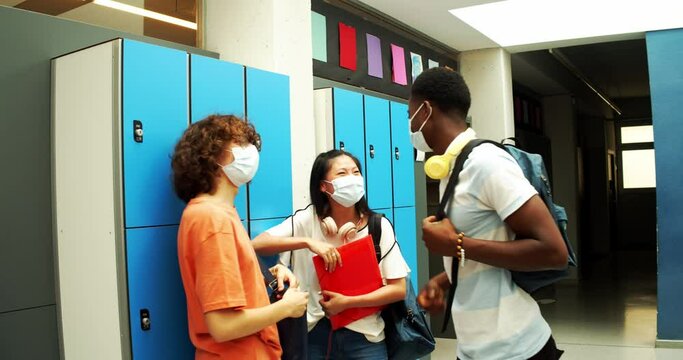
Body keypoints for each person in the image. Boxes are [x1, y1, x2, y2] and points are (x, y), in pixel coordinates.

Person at [409, 68, 568, 359]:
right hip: (474, 348)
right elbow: (490, 241)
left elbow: (553, 251)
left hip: (516, 348)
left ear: (426, 110)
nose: (410, 124)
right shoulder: (455, 167)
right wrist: (443, 279)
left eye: (411, 113)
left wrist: (457, 245)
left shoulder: (486, 163)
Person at [171, 114, 309, 360]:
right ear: (210, 157)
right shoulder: (213, 219)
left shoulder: (215, 213)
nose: (250, 151)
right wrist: (286, 308)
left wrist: (266, 275)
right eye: (239, 144)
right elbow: (223, 326)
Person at [251, 149, 410, 360]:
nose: (352, 179)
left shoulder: (378, 226)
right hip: (314, 333)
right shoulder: (307, 220)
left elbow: (398, 289)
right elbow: (257, 244)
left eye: (356, 172)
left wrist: (347, 302)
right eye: (342, 174)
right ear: (323, 186)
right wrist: (307, 242)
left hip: (366, 336)